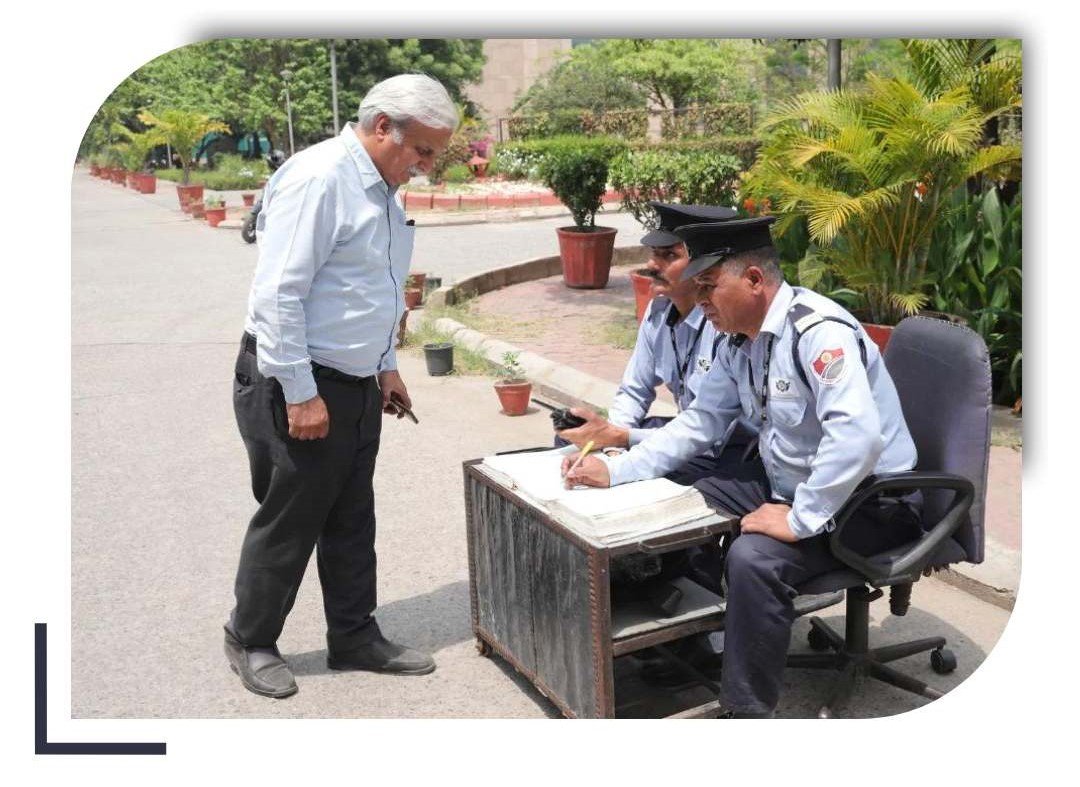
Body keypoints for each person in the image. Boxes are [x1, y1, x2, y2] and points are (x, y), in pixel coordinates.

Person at [564, 217, 921, 718]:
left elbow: (857, 438)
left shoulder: (818, 334)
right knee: (685, 499)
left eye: (710, 286)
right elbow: (699, 424)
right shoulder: (739, 339)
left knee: (755, 559)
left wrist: (799, 519)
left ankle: (747, 713)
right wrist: (617, 469)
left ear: (754, 280)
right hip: (792, 484)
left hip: (872, 499)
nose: (701, 297)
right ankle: (682, 642)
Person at [225, 74, 458, 699]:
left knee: (353, 517)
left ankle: (353, 635)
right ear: (383, 127)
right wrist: (301, 393)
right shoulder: (319, 178)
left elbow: (374, 286)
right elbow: (279, 296)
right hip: (297, 379)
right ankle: (250, 639)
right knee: (292, 518)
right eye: (424, 151)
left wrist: (385, 365)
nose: (428, 166)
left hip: (355, 381)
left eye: (435, 154)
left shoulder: (381, 187)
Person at [557, 201, 751, 487]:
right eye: (654, 254)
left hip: (725, 448)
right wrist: (611, 442)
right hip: (686, 433)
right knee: (574, 432)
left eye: (668, 255)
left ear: (702, 266)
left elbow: (710, 432)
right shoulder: (658, 311)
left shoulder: (726, 323)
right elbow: (635, 389)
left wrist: (621, 438)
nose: (652, 265)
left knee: (656, 487)